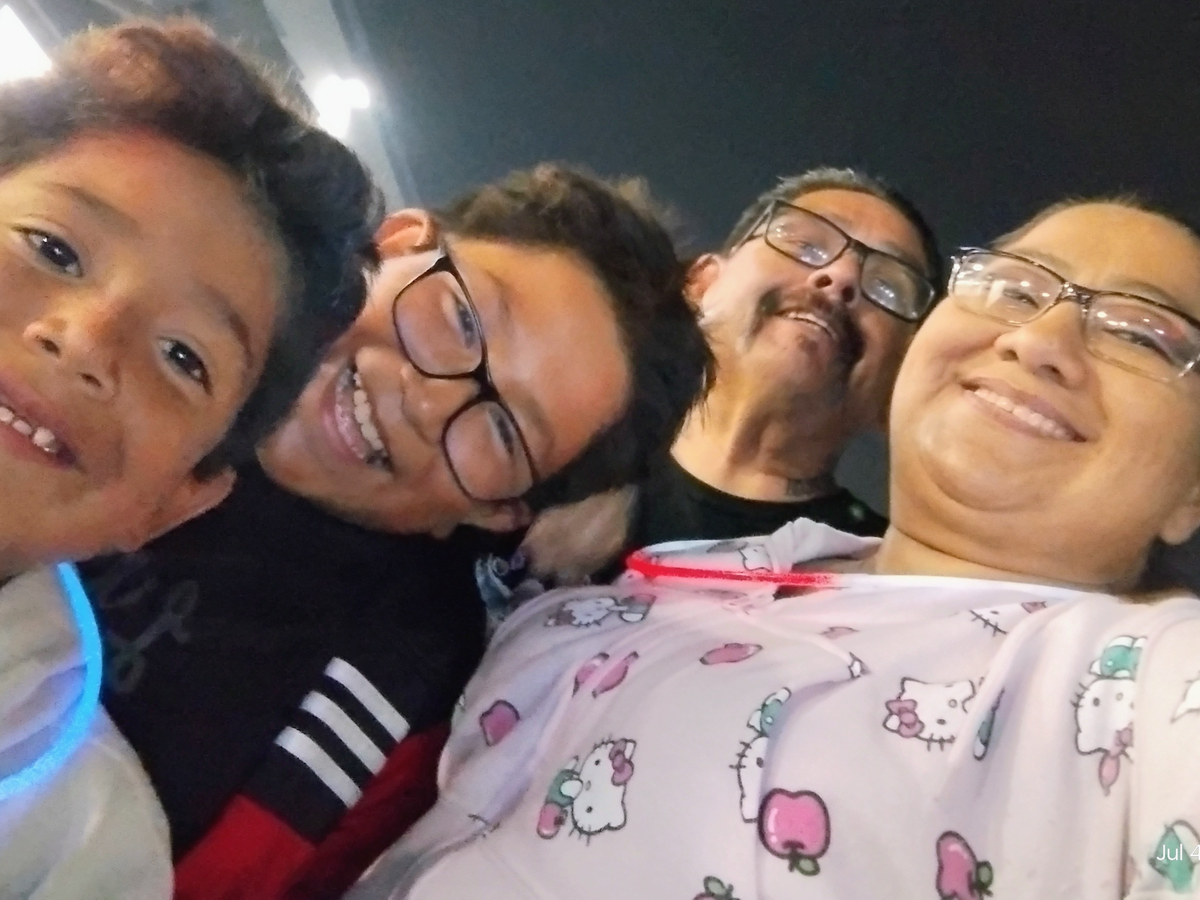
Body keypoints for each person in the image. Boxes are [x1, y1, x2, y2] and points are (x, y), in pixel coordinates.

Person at [349, 196, 1200, 900]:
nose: (1040, 338)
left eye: (1142, 334)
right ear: (701, 282)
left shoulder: (1144, 681)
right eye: (1013, 287)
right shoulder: (642, 552)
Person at [79, 164, 712, 899]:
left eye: (503, 432)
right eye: (462, 320)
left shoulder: (398, 714)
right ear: (398, 241)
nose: (426, 402)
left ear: (499, 513)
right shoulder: (98, 325)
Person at [0, 17, 381, 899]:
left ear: (176, 500)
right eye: (53, 249)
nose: (86, 339)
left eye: (184, 358)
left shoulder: (85, 847)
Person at [519, 168, 941, 583]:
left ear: (896, 386)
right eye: (805, 244)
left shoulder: (887, 586)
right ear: (699, 285)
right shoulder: (539, 455)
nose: (842, 277)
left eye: (888, 287)